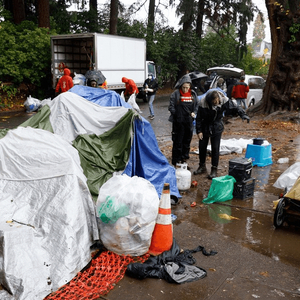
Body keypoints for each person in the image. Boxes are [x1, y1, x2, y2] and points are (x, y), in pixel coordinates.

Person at [194, 89, 250, 179]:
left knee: (215, 148)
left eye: (217, 101)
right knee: (202, 147)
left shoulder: (224, 100)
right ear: (209, 101)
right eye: (214, 102)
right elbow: (199, 118)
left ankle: (214, 169)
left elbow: (235, 107)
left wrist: (243, 114)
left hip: (217, 125)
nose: (216, 103)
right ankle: (202, 166)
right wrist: (199, 131)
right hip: (205, 125)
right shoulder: (203, 102)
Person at [168, 75, 198, 166]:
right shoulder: (176, 94)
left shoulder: (193, 94)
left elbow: (196, 106)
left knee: (187, 141)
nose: (185, 89)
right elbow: (171, 106)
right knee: (178, 141)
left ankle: (184, 158)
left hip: (189, 121)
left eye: (187, 87)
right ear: (181, 86)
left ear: (190, 87)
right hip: (178, 122)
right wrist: (177, 115)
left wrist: (194, 113)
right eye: (184, 87)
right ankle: (176, 160)